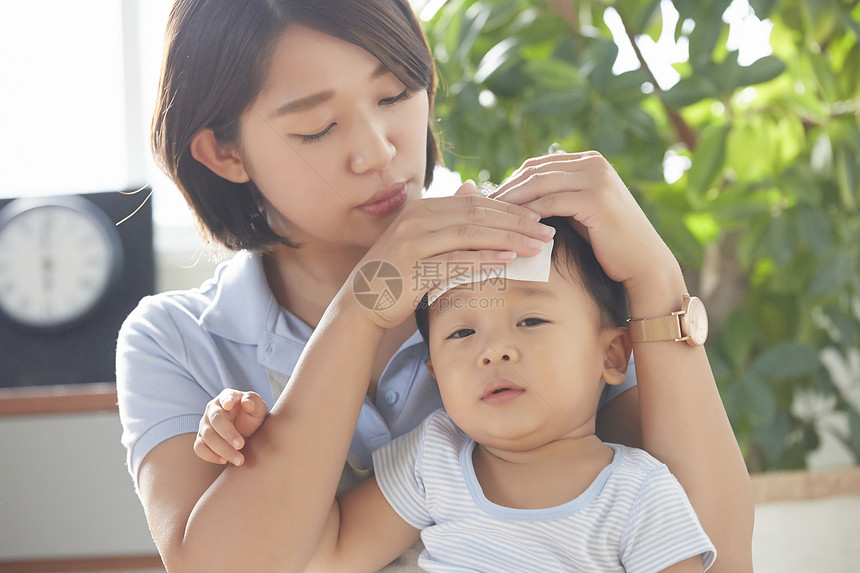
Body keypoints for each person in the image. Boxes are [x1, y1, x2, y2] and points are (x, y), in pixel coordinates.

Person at [115, 1, 753, 571]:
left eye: (394, 94)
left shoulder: (533, 272)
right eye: (315, 128)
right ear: (225, 153)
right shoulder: (172, 341)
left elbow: (713, 555)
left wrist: (656, 278)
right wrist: (363, 309)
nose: (378, 151)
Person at [196, 217, 717, 572]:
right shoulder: (434, 460)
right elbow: (320, 555)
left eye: (531, 319)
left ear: (611, 356)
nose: (493, 352)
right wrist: (256, 444)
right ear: (435, 374)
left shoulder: (640, 494)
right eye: (461, 334)